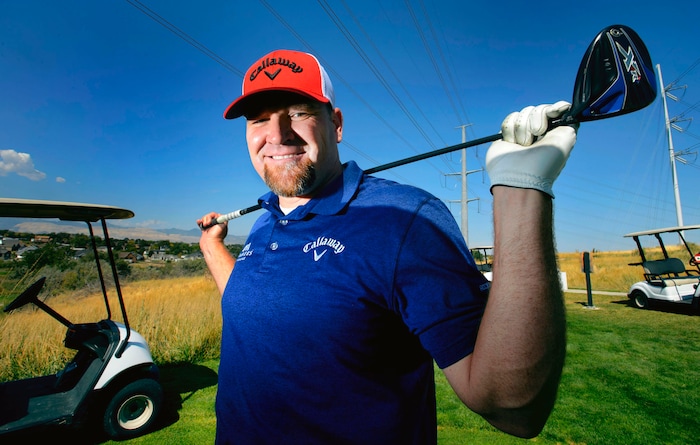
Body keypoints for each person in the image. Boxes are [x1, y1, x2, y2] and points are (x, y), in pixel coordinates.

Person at [198, 49, 574, 445]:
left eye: (298, 111)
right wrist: (211, 248)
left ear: (336, 125)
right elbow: (255, 303)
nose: (276, 133)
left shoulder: (406, 219)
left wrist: (522, 189)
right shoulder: (263, 222)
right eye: (259, 119)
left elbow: (514, 409)